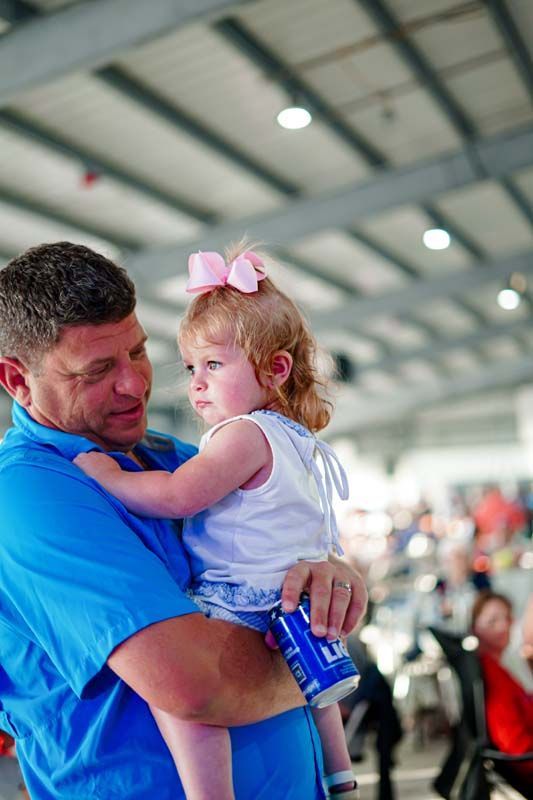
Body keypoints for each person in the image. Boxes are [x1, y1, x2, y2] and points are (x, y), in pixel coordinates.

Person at [0, 242, 367, 800]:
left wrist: (332, 576)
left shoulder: (173, 456)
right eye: (97, 370)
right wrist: (318, 660)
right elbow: (195, 686)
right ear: (17, 380)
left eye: (138, 352)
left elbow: (278, 553)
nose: (134, 384)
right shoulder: (32, 495)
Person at [471, 590, 533, 794]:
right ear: (474, 627)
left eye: (507, 618)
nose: (503, 626)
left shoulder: (499, 667)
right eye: (492, 621)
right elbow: (514, 744)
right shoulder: (491, 675)